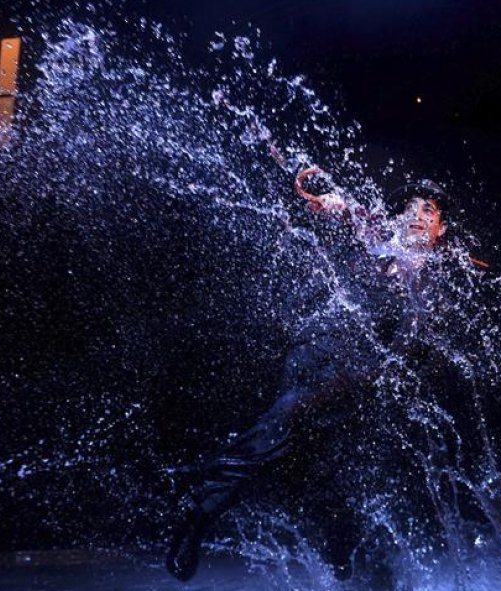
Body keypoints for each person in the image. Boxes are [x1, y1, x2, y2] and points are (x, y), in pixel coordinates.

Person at [165, 166, 475, 582]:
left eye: (429, 210)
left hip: (353, 384)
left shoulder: (436, 283)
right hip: (318, 359)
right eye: (408, 208)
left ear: (440, 229)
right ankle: (199, 501)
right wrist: (332, 203)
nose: (416, 214)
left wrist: (364, 382)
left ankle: (343, 557)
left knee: (327, 485)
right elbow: (352, 214)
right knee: (286, 428)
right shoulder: (379, 246)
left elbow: (413, 351)